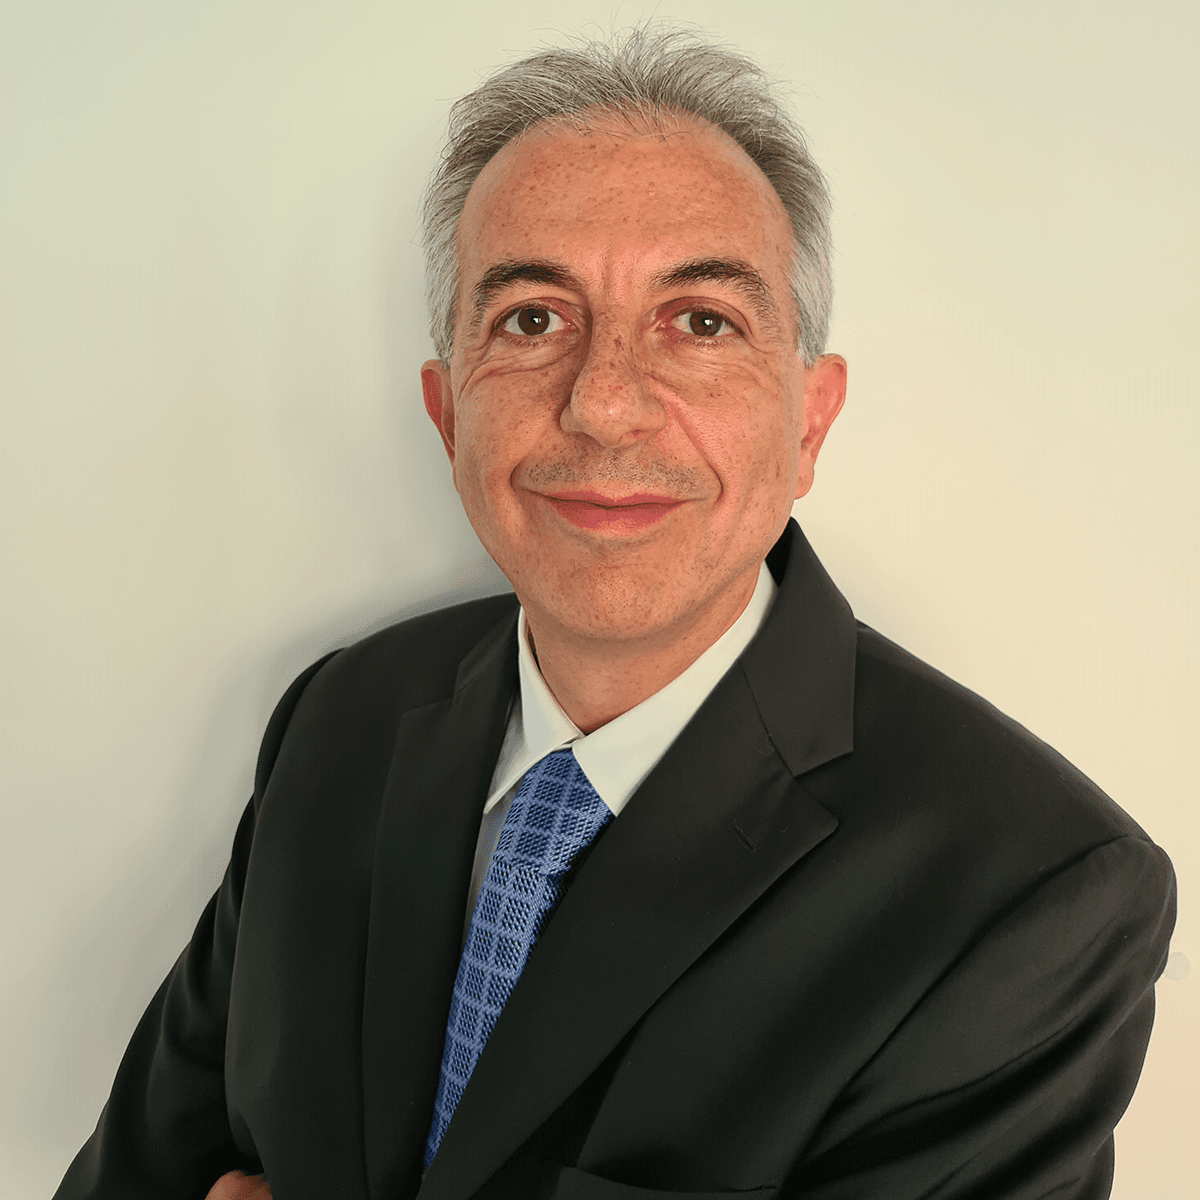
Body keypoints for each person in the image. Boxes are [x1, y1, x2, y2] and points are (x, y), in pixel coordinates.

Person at [55, 25, 1175, 1200]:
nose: (604, 404)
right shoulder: (342, 717)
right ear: (449, 415)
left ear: (809, 420)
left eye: (702, 322)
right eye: (533, 319)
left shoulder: (1032, 894)